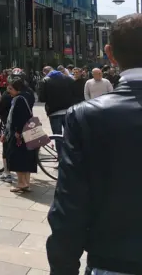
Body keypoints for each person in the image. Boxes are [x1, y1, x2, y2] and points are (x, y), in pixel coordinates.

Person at [47, 14, 142, 275]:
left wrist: (63, 267)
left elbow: (69, 204)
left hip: (113, 259)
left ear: (110, 54)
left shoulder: (85, 116)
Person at [4, 76, 37, 193]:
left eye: (11, 89)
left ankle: (21, 183)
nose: (9, 92)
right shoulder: (28, 95)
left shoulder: (18, 99)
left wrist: (17, 132)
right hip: (29, 131)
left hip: (20, 134)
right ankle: (26, 182)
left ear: (17, 89)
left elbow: (18, 117)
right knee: (27, 158)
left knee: (18, 158)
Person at [38, 65, 76, 153]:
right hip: (68, 111)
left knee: (57, 136)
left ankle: (61, 158)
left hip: (54, 112)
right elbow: (75, 94)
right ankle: (70, 156)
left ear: (45, 73)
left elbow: (42, 98)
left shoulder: (45, 81)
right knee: (70, 136)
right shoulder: (69, 79)